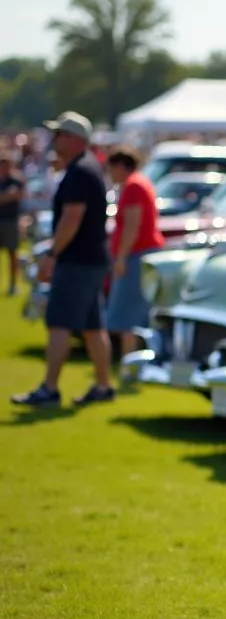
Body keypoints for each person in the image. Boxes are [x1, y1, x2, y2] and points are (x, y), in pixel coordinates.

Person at [11, 112, 114, 408]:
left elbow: (72, 218)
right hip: (91, 258)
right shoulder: (88, 167)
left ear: (73, 138)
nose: (54, 141)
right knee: (93, 326)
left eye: (58, 135)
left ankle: (50, 388)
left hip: (78, 260)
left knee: (59, 322)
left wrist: (52, 254)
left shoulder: (80, 171)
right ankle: (103, 386)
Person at [106, 145, 164, 362]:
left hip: (136, 255)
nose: (110, 174)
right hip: (140, 253)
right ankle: (133, 360)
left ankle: (129, 360)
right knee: (134, 312)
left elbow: (132, 225)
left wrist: (121, 257)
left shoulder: (133, 186)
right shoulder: (139, 183)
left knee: (127, 313)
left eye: (112, 168)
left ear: (121, 166)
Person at [0, 152, 25, 295]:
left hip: (10, 221)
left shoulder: (15, 180)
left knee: (12, 254)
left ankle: (13, 285)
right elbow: (8, 196)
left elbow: (16, 195)